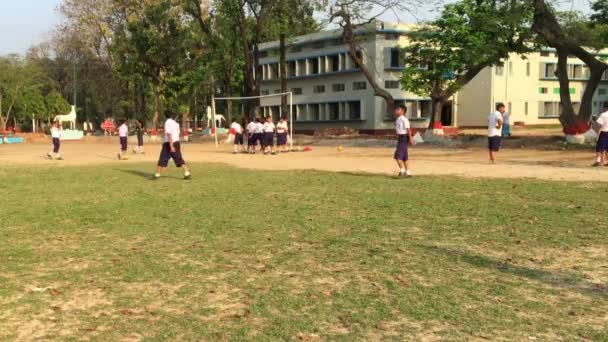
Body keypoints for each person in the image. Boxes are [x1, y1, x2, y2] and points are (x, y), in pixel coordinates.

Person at [154, 110, 192, 180]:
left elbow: (169, 134)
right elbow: (177, 133)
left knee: (162, 158)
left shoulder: (167, 122)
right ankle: (187, 172)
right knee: (178, 158)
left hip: (168, 143)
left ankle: (157, 174)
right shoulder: (176, 123)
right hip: (176, 142)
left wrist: (171, 145)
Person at [394, 105, 414, 177]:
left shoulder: (404, 119)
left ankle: (402, 171)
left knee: (398, 155)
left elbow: (408, 129)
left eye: (398, 109)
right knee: (404, 156)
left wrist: (411, 139)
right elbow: (398, 130)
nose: (396, 110)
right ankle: (408, 172)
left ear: (402, 111)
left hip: (404, 138)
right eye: (396, 109)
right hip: (400, 138)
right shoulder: (398, 119)